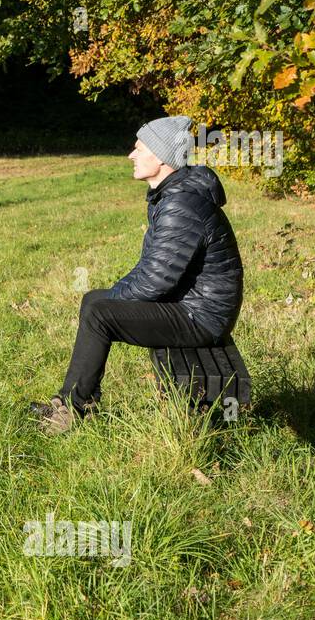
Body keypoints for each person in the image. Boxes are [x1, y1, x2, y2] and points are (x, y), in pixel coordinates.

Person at [29, 115, 244, 433]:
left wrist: (114, 302)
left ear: (159, 157)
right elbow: (152, 269)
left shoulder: (181, 204)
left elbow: (156, 280)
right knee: (95, 302)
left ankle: (71, 412)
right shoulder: (173, 196)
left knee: (100, 311)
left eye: (139, 148)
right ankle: (73, 404)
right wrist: (114, 296)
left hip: (201, 316)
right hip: (192, 306)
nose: (131, 154)